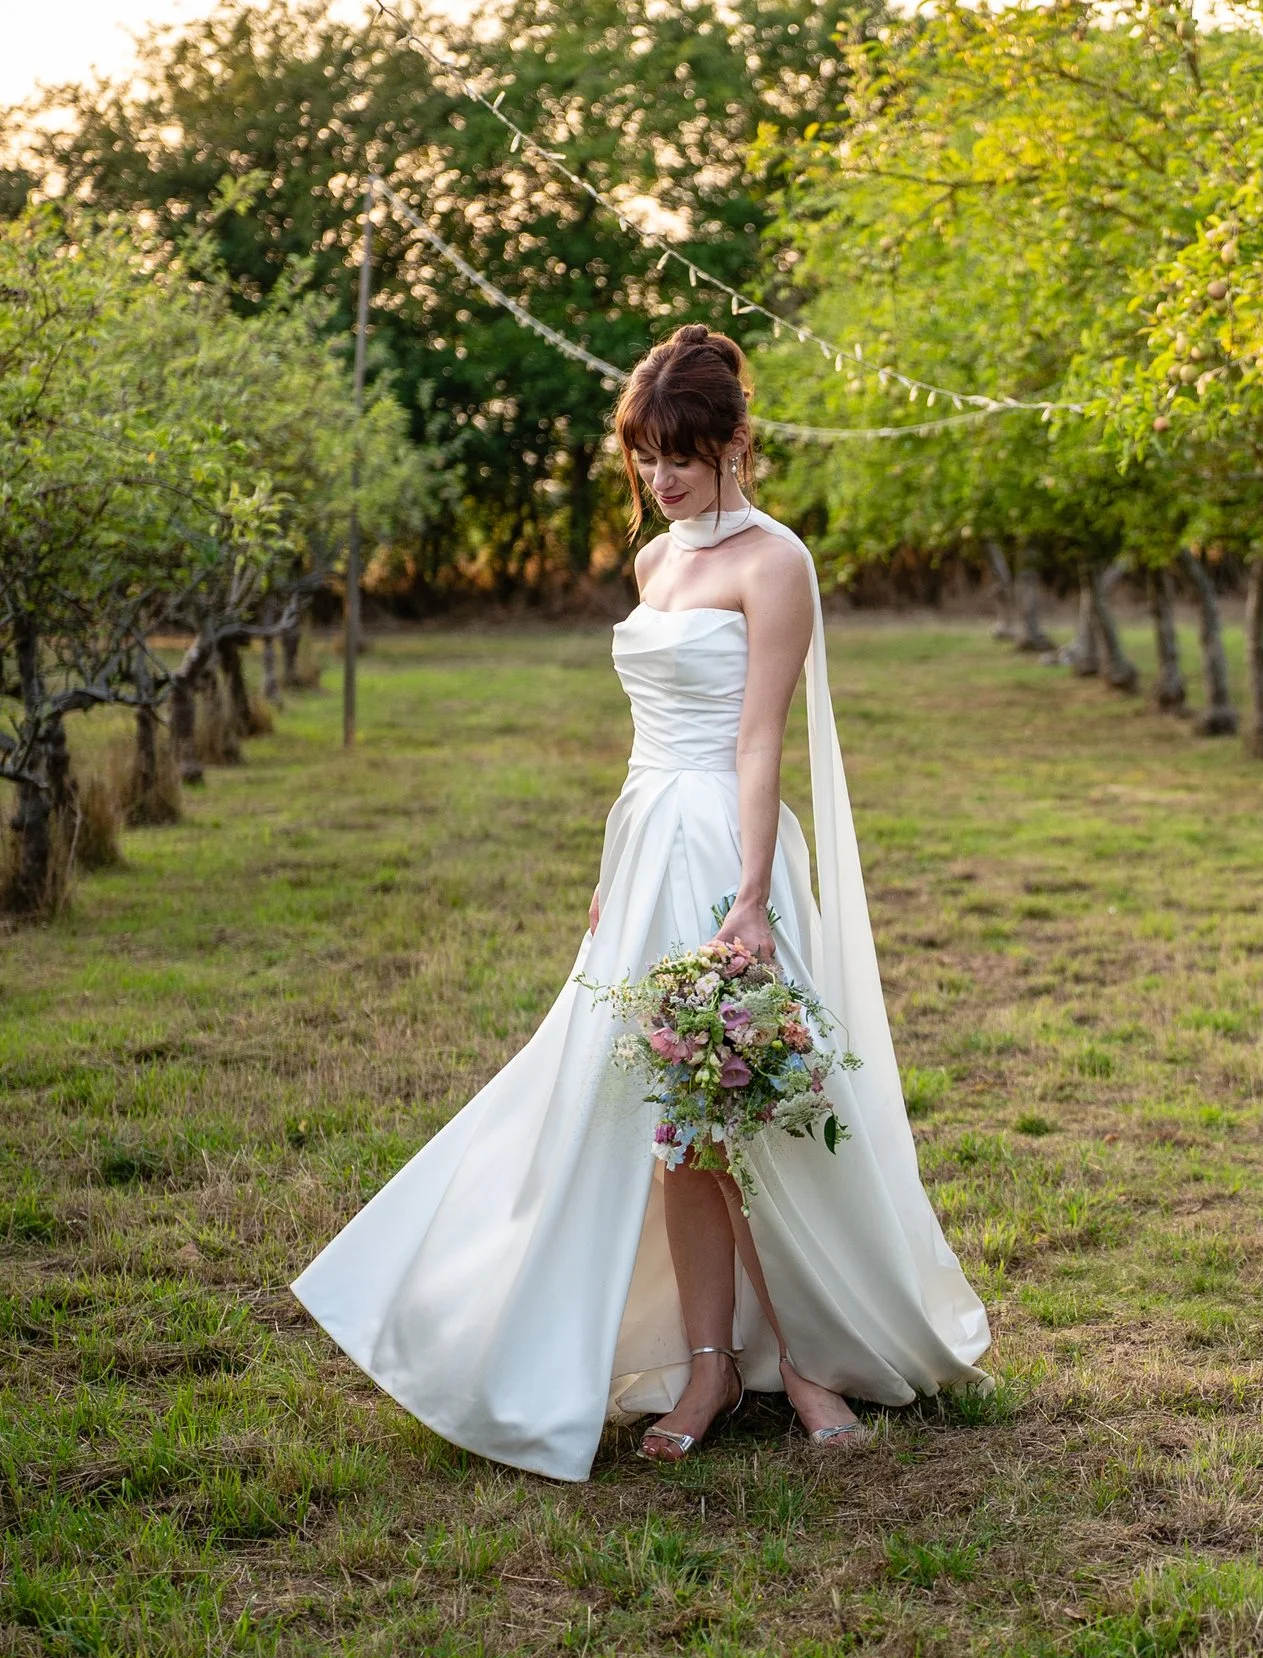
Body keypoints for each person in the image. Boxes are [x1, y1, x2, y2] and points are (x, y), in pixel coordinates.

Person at [293, 324, 990, 1479]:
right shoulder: (655, 561)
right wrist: (607, 881)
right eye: (644, 454)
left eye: (681, 452)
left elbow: (758, 741)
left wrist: (754, 897)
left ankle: (809, 1360)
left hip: (727, 843)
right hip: (648, 841)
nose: (661, 477)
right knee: (672, 1114)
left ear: (734, 443)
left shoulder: (775, 562)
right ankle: (709, 1365)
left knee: (752, 1111)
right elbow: (638, 746)